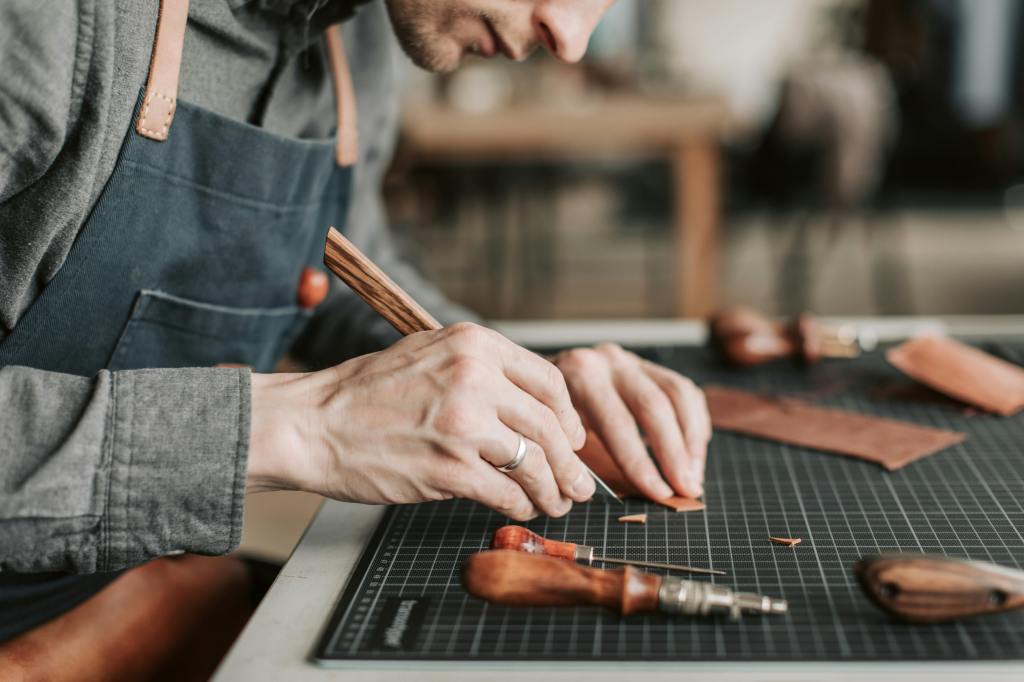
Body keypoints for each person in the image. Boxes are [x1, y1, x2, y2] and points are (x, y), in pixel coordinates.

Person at [0, 0, 711, 668]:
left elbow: (336, 266)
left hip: (108, 590)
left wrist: (511, 384)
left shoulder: (355, 34)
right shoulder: (42, 25)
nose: (570, 36)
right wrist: (304, 429)